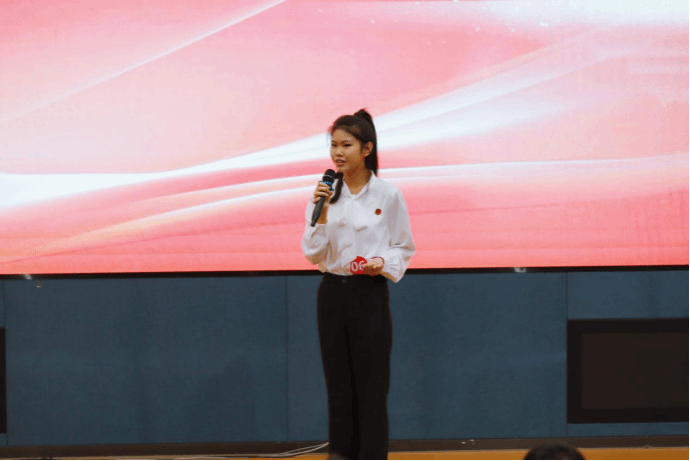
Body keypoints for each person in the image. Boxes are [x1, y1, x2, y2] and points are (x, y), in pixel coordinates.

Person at [301, 109, 416, 460]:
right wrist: (321, 215)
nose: (337, 153)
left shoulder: (387, 194)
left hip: (369, 294)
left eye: (346, 145)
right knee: (338, 386)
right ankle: (341, 455)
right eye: (333, 145)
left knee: (372, 387)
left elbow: (404, 247)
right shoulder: (324, 194)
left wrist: (382, 262)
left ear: (367, 149)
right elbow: (312, 253)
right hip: (332, 294)